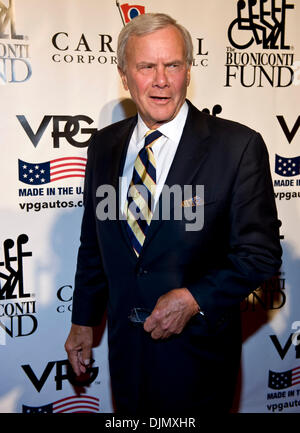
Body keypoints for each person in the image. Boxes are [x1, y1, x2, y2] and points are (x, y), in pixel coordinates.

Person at [65, 13, 282, 414]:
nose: (161, 80)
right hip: (127, 358)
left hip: (198, 360)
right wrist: (83, 321)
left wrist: (194, 298)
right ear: (125, 75)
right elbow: (93, 245)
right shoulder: (104, 147)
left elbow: (261, 255)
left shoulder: (236, 147)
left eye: (173, 65)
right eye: (147, 66)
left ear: (188, 70)